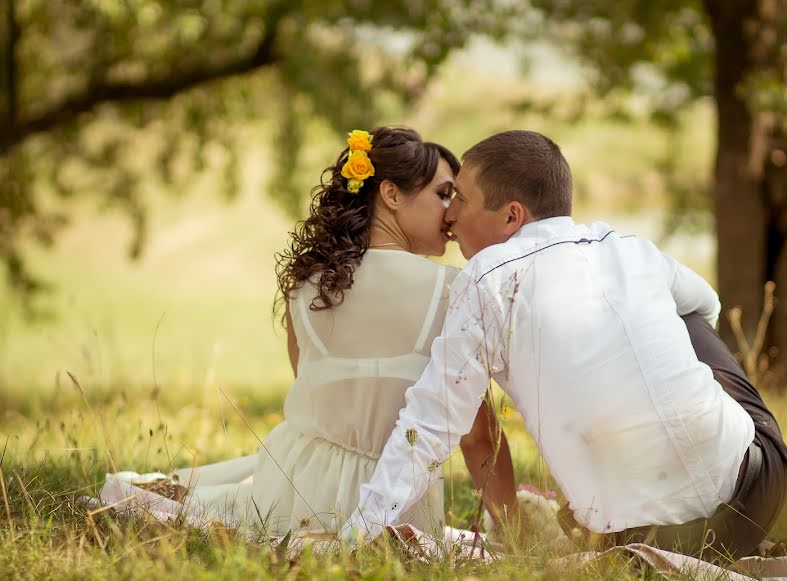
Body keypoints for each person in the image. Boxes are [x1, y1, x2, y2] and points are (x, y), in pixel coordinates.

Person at [343, 130, 787, 561]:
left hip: (651, 542)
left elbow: (431, 422)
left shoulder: (488, 280)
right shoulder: (629, 247)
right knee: (686, 316)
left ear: (512, 216)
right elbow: (707, 306)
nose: (450, 215)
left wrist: (361, 532)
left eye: (460, 198)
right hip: (759, 490)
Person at [98, 127, 516, 539]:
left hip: (289, 480)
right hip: (389, 498)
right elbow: (478, 436)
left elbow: (314, 390)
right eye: (443, 194)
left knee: (216, 510)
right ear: (390, 195)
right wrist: (517, 528)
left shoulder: (307, 284)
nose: (452, 213)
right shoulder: (453, 290)